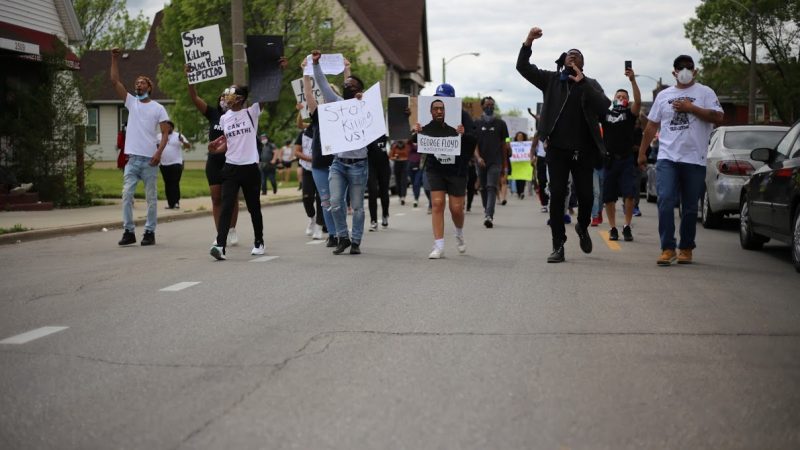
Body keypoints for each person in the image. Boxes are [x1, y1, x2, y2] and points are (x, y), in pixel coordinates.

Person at [516, 27, 611, 263]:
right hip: (557, 150)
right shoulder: (551, 81)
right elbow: (523, 67)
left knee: (587, 198)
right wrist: (529, 41)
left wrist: (584, 83)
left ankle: (582, 226)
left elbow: (604, 107)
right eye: (569, 53)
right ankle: (558, 245)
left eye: (577, 54)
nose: (573, 55)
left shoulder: (590, 84)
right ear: (564, 60)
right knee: (557, 195)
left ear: (582, 64)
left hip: (583, 151)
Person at [637, 55, 724, 265]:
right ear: (674, 72)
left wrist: (691, 108)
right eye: (680, 68)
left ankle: (686, 247)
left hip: (695, 159)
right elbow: (651, 126)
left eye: (689, 67)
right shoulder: (664, 96)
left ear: (695, 71)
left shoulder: (705, 92)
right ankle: (668, 248)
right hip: (668, 157)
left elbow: (718, 117)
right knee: (665, 200)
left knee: (690, 207)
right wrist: (642, 152)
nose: (684, 70)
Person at [111, 48, 170, 247]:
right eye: (136, 82)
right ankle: (128, 231)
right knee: (127, 195)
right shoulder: (131, 103)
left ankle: (149, 232)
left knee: (151, 198)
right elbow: (115, 81)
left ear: (149, 87)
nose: (138, 84)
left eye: (142, 82)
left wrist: (158, 153)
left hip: (150, 161)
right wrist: (114, 59)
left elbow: (165, 134)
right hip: (132, 160)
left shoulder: (158, 108)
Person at [312, 49, 368, 255]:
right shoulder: (335, 103)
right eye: (345, 86)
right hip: (338, 163)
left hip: (359, 164)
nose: (347, 88)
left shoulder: (364, 105)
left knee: (358, 207)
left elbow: (363, 101)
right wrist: (316, 65)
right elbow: (322, 83)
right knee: (335, 203)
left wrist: (361, 99)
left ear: (359, 91)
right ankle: (342, 237)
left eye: (352, 87)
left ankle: (356, 241)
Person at [414, 83, 476, 259]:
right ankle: (438, 245)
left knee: (456, 208)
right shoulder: (427, 119)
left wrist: (464, 134)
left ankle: (459, 233)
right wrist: (416, 131)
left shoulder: (463, 116)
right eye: (438, 104)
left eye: (445, 103)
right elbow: (417, 140)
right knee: (438, 203)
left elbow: (473, 138)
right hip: (435, 166)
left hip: (457, 168)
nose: (440, 110)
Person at [208, 85, 267, 260]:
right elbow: (229, 143)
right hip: (231, 167)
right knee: (226, 206)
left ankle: (259, 241)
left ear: (241, 98)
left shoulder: (252, 112)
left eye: (231, 93)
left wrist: (273, 70)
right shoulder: (225, 118)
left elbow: (266, 91)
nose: (227, 96)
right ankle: (220, 246)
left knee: (253, 207)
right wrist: (214, 150)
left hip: (249, 167)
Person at [186, 65, 239, 246]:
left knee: (230, 199)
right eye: (222, 97)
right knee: (216, 198)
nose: (225, 99)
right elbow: (194, 97)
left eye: (228, 97)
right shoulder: (213, 114)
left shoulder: (238, 116)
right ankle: (220, 233)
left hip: (231, 162)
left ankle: (231, 230)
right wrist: (190, 77)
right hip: (214, 162)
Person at [602, 67, 642, 241]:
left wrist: (632, 81)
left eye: (624, 97)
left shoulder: (629, 114)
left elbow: (639, 103)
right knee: (609, 197)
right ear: (614, 99)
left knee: (629, 194)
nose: (621, 98)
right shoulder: (606, 114)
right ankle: (612, 228)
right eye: (619, 96)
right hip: (610, 160)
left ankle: (626, 226)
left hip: (626, 160)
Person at [474, 96, 510, 228]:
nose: (489, 107)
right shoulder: (476, 123)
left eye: (492, 105)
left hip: (496, 161)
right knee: (483, 187)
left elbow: (505, 141)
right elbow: (474, 143)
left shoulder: (501, 124)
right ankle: (486, 210)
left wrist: (508, 146)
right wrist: (478, 158)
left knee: (491, 187)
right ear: (482, 106)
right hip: (481, 161)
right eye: (487, 104)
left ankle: (489, 215)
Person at [294, 113, 324, 239]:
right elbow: (297, 151)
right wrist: (300, 110)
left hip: (321, 168)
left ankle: (319, 226)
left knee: (321, 199)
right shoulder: (304, 132)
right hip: (307, 169)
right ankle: (312, 218)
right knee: (307, 197)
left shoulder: (324, 131)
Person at [157, 121, 190, 209]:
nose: (166, 128)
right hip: (163, 163)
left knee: (174, 183)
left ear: (172, 127)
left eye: (168, 127)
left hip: (176, 163)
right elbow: (156, 147)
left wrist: (182, 141)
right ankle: (170, 204)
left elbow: (188, 146)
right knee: (167, 183)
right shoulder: (159, 136)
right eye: (165, 127)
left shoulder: (178, 136)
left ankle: (176, 202)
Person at [367, 135, 391, 231]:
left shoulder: (385, 134)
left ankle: (385, 214)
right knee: (372, 192)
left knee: (384, 192)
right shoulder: (366, 132)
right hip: (371, 165)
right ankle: (373, 220)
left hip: (384, 165)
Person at [531, 131, 549, 212]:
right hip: (541, 159)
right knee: (542, 182)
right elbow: (533, 146)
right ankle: (544, 204)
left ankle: (551, 202)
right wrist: (532, 158)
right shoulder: (538, 133)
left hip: (553, 157)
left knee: (552, 182)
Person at [389, 140, 410, 205]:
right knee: (398, 181)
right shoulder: (394, 146)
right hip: (397, 163)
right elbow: (390, 156)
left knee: (404, 180)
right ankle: (400, 195)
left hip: (404, 163)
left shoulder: (406, 146)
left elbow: (408, 154)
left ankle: (403, 196)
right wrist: (396, 157)